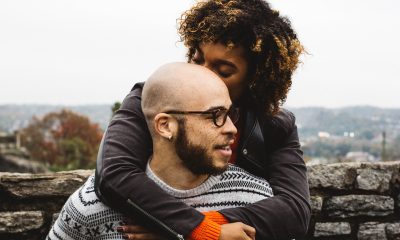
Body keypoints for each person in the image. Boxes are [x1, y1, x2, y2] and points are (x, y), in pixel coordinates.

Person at [95, 0, 311, 239]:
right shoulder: (152, 99)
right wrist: (200, 230)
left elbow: (295, 210)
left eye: (224, 70)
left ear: (254, 78)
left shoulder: (275, 124)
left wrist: (201, 227)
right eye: (198, 60)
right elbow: (113, 174)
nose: (202, 72)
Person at [47, 63, 274, 240]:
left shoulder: (254, 197)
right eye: (215, 115)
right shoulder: (91, 206)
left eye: (229, 114)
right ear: (165, 125)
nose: (232, 129)